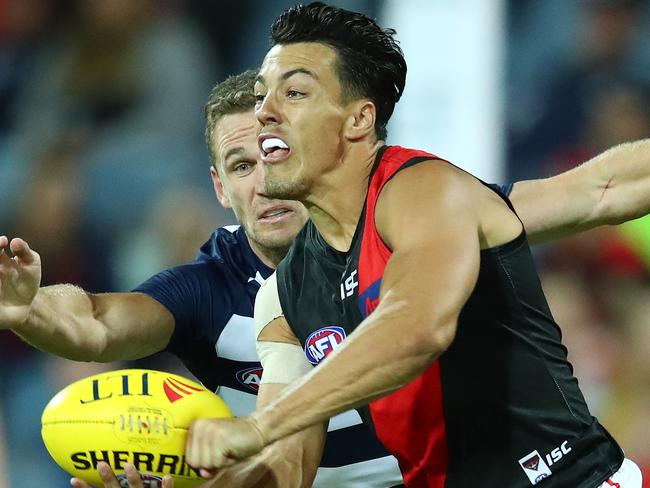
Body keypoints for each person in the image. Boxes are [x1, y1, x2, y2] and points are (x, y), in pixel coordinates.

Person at [2, 71, 650, 488]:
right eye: (240, 165)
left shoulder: (418, 216)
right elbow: (94, 322)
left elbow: (595, 191)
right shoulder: (217, 290)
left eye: (272, 153)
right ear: (219, 188)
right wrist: (28, 309)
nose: (264, 179)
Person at [182, 4, 645, 488]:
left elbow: (416, 330)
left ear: (359, 120)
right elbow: (286, 463)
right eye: (262, 96)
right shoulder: (283, 296)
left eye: (293, 92)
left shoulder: (422, 189)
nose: (264, 113)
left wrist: (257, 427)